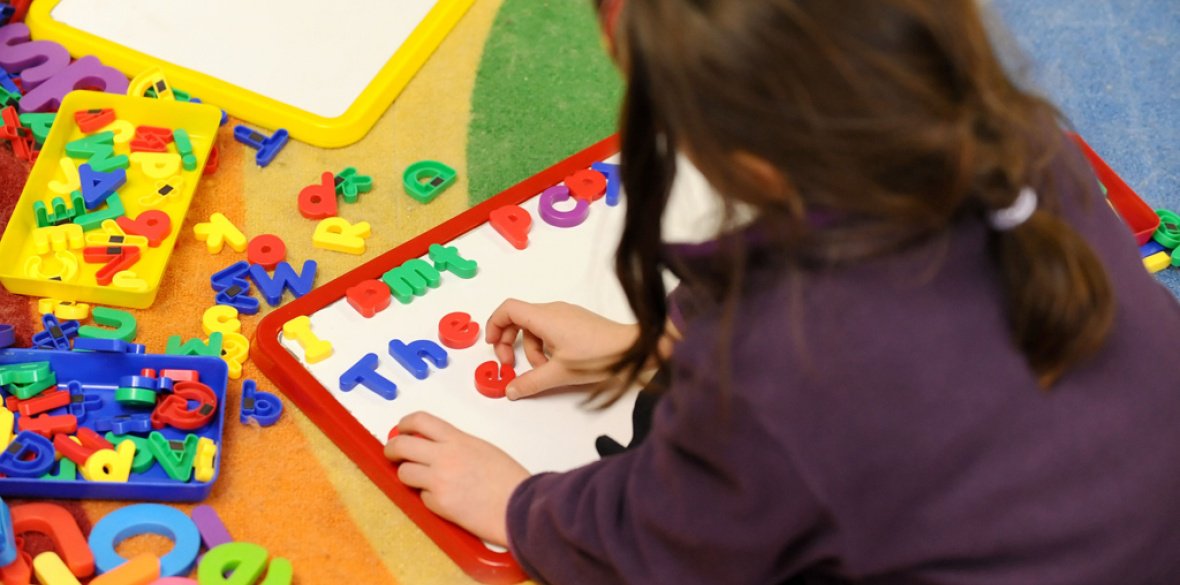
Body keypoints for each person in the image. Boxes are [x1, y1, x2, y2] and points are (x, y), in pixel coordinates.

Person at [385, 0, 1180, 583]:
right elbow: (925, 383)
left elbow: (671, 545)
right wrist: (653, 346)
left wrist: (520, 507)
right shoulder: (1021, 139)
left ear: (750, 157)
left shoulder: (777, 366)